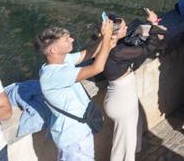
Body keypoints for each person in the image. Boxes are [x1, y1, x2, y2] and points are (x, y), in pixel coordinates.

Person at [36, 17, 119, 161]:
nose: (72, 40)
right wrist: (106, 37)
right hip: (74, 139)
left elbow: (91, 53)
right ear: (53, 49)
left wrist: (104, 38)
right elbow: (97, 68)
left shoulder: (62, 61)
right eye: (66, 39)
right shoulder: (53, 75)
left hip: (76, 133)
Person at [100, 10, 168, 161]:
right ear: (113, 34)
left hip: (120, 97)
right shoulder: (118, 52)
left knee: (129, 138)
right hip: (121, 101)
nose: (127, 28)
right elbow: (147, 49)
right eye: (124, 27)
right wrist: (153, 24)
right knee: (123, 146)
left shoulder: (106, 47)